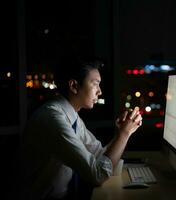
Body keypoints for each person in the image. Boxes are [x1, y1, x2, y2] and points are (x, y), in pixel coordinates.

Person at [21, 56, 143, 200]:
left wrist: (121, 133)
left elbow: (99, 155)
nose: (100, 91)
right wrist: (124, 134)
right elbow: (97, 174)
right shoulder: (53, 119)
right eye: (95, 84)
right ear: (74, 86)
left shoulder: (71, 117)